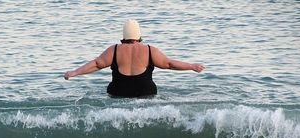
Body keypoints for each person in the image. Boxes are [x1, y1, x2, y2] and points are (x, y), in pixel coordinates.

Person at [64, 19, 205, 97]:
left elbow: (96, 64)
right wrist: (192, 66)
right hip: (145, 92)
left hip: (119, 92)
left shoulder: (114, 50)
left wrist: (74, 72)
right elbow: (169, 64)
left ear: (124, 36)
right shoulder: (150, 50)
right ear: (139, 35)